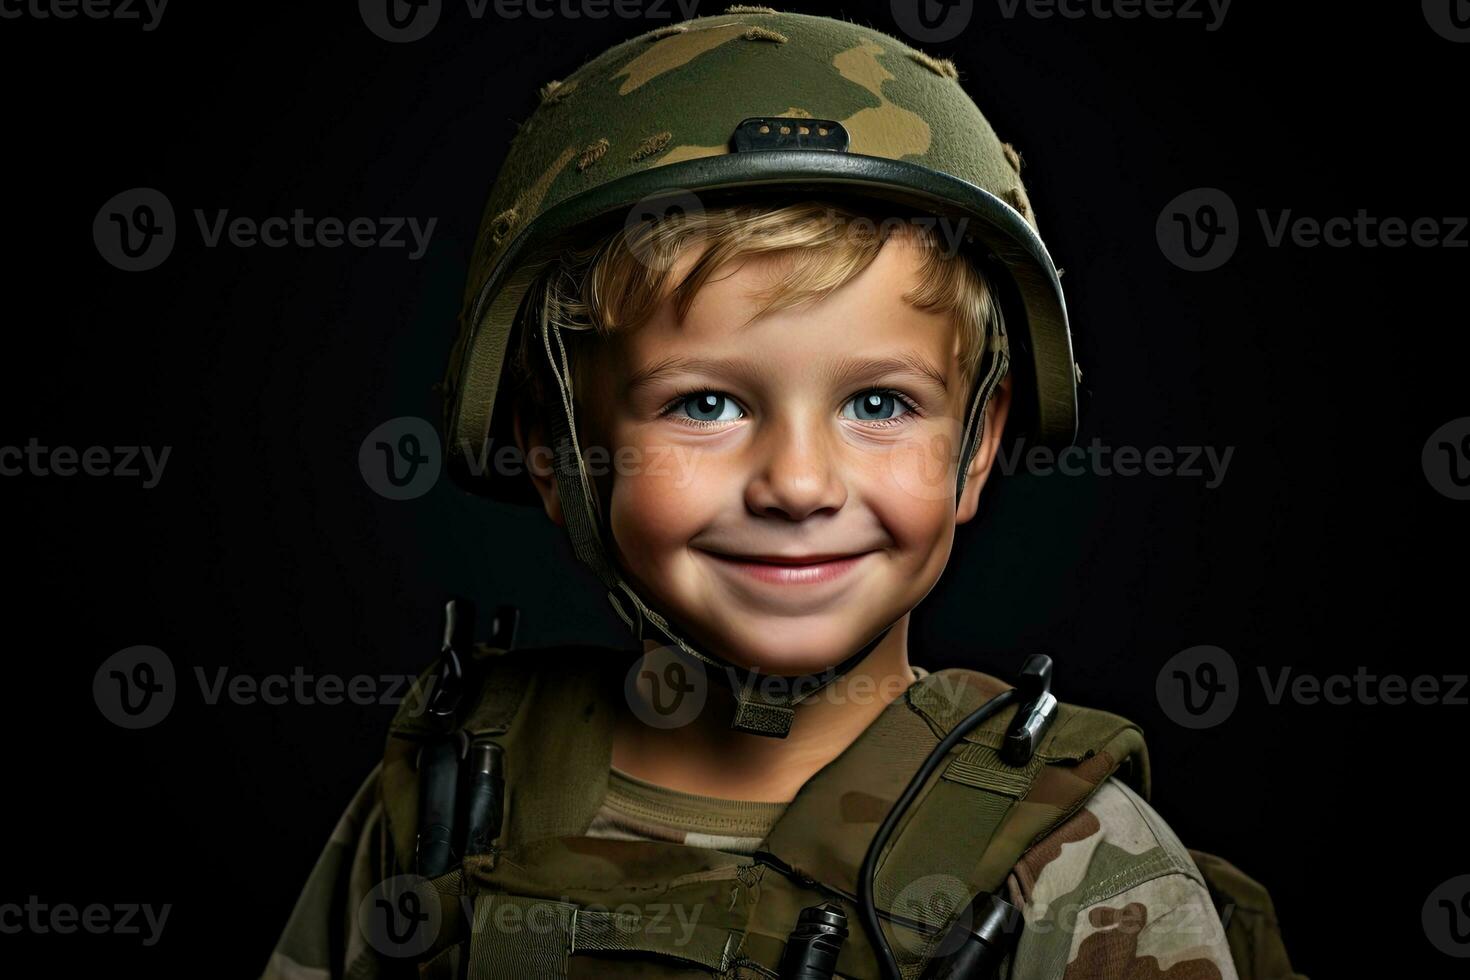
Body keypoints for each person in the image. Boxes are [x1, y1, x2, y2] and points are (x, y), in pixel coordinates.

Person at [263, 8, 1301, 978]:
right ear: (559, 448)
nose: (799, 484)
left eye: (882, 404)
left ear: (976, 447)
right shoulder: (449, 799)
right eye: (706, 403)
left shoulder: (1082, 862)